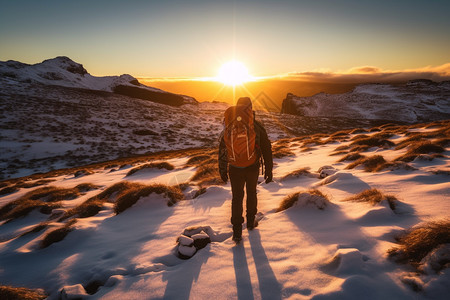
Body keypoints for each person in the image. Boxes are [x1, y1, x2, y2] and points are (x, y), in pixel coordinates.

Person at [218, 97, 273, 242]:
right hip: (252, 167)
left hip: (234, 168)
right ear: (250, 108)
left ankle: (237, 230)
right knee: (251, 193)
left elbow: (223, 148)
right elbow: (267, 148)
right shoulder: (256, 126)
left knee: (237, 198)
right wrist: (269, 169)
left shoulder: (229, 126)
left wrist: (222, 169)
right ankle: (250, 223)